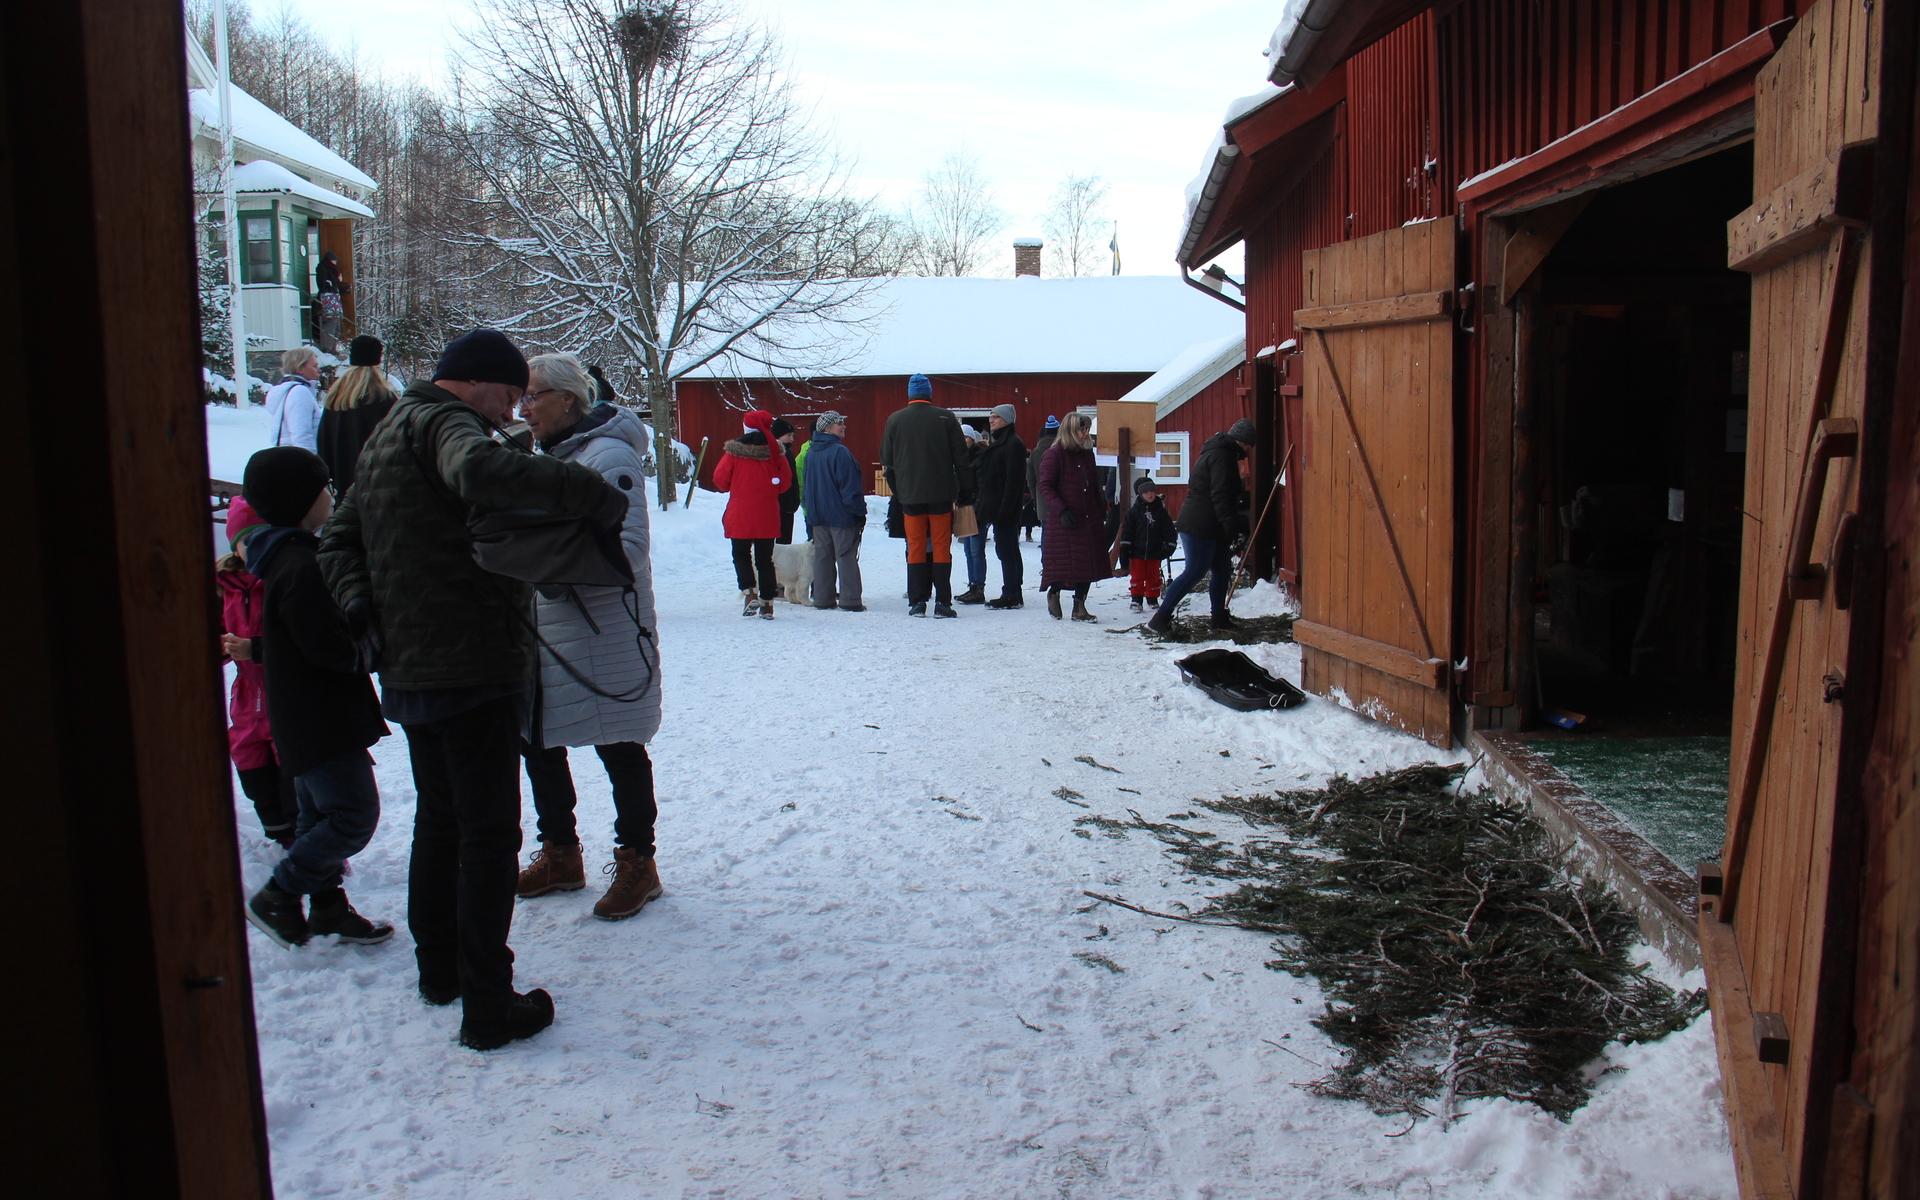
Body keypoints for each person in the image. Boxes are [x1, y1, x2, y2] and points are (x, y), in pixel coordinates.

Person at [319, 328, 628, 1051]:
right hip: (474, 663)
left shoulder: (391, 430)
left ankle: (441, 972)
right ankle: (489, 1004)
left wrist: (367, 611)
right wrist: (589, 493)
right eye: (511, 395)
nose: (515, 411)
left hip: (412, 668)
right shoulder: (450, 424)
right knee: (489, 835)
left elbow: (337, 538)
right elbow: (484, 473)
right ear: (481, 382)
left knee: (441, 821)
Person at [512, 354, 665, 921]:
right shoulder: (543, 455)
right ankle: (560, 853)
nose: (524, 407)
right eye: (522, 397)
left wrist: (542, 563)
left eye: (534, 396)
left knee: (619, 744)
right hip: (549, 625)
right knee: (539, 739)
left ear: (568, 400)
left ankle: (638, 862)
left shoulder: (609, 456)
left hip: (603, 628)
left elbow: (629, 547)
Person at [239, 446, 393, 950]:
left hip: (300, 716)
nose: (330, 495)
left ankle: (327, 908)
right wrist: (367, 633)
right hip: (322, 718)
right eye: (323, 488)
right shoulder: (301, 564)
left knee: (314, 817)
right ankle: (279, 894)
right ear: (300, 500)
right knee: (351, 816)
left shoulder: (283, 555)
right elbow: (326, 647)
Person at [217, 495, 296, 848]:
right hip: (247, 700)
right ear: (236, 546)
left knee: (292, 778)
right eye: (249, 542)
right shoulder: (226, 587)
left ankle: (305, 848)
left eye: (266, 538)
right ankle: (277, 841)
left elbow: (297, 638)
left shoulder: (282, 579)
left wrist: (257, 649)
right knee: (252, 770)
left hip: (284, 696)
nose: (258, 549)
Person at [1148, 417, 1256, 635]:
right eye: (1248, 446)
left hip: (1211, 523)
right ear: (1243, 442)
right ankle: (1160, 618)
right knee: (1194, 571)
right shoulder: (1222, 456)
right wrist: (1229, 523)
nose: (1247, 451)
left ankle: (1218, 617)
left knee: (1222, 570)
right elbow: (1220, 493)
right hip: (1201, 524)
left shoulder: (1219, 451)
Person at [879, 372, 974, 617]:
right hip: (942, 495)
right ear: (929, 393)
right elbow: (961, 460)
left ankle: (917, 601)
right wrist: (965, 491)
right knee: (942, 546)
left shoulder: (895, 420)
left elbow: (887, 464)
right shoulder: (946, 418)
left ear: (910, 394)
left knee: (916, 546)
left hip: (910, 497)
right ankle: (943, 602)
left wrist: (900, 491)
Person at [713, 409, 790, 618]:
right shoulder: (776, 453)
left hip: (740, 514)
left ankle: (749, 593)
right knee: (765, 559)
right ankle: (767, 604)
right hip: (767, 513)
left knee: (740, 554)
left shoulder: (734, 452)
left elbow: (720, 481)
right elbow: (785, 483)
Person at [1037, 412, 1109, 622]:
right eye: (1081, 429)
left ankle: (1079, 606)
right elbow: (1046, 486)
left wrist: (1100, 507)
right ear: (1070, 431)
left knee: (1087, 563)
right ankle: (1054, 592)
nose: (1085, 433)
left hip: (1089, 517)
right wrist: (1061, 510)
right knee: (1063, 563)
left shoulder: (1087, 454)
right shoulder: (1054, 454)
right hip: (1065, 519)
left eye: (1087, 429)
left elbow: (1094, 484)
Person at [316, 334, 398, 498]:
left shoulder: (336, 398)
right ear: (378, 361)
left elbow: (323, 442)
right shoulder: (384, 399)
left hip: (341, 487)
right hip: (376, 491)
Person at [804, 410, 866, 611]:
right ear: (828, 428)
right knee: (846, 555)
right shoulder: (840, 452)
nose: (843, 426)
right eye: (839, 423)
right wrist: (858, 512)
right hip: (841, 515)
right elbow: (850, 487)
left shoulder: (812, 452)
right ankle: (850, 600)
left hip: (818, 516)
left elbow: (808, 485)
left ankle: (823, 598)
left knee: (823, 557)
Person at [975, 403, 1029, 609]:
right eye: (990, 417)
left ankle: (1012, 593)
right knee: (1007, 549)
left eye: (995, 417)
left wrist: (1004, 509)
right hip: (997, 506)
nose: (991, 421)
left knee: (1007, 550)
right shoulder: (1001, 443)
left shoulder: (1013, 444)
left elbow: (1013, 482)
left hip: (1005, 509)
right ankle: (1013, 590)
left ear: (1006, 420)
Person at [1117, 475, 1178, 613]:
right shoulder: (1133, 513)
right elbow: (1127, 533)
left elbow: (1169, 530)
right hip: (1137, 553)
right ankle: (1136, 599)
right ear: (1140, 494)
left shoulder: (1161, 512)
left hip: (1155, 551)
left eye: (1152, 491)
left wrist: (1170, 545)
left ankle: (1152, 599)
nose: (1150, 494)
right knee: (1137, 577)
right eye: (1146, 492)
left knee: (1153, 577)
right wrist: (1125, 551)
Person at [265, 346, 322, 453]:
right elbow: (301, 434)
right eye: (315, 366)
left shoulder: (288, 390)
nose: (319, 369)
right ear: (300, 368)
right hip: (298, 459)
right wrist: (311, 462)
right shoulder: (299, 392)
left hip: (286, 454)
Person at [954, 424, 989, 604]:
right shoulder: (960, 459)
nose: (963, 441)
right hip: (964, 508)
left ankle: (979, 587)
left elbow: (983, 487)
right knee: (968, 550)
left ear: (971, 439)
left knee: (976, 550)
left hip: (976, 509)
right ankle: (972, 586)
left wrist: (978, 509)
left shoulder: (980, 458)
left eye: (966, 437)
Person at [1024, 414, 1059, 544]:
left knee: (1046, 532)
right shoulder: (1063, 449)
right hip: (1062, 500)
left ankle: (1046, 562)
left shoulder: (1035, 452)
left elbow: (1030, 479)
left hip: (1042, 498)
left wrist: (1034, 497)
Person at [772, 417, 801, 545]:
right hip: (781, 505)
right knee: (780, 544)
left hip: (787, 505)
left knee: (784, 541)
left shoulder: (786, 452)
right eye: (788, 435)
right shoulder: (777, 453)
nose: (792, 439)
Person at [315, 252, 345, 351]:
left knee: (336, 322)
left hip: (333, 298)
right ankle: (327, 348)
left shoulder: (330, 269)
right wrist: (336, 281)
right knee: (331, 322)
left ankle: (332, 347)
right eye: (334, 260)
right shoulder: (324, 268)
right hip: (328, 298)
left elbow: (333, 284)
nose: (335, 262)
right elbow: (325, 284)